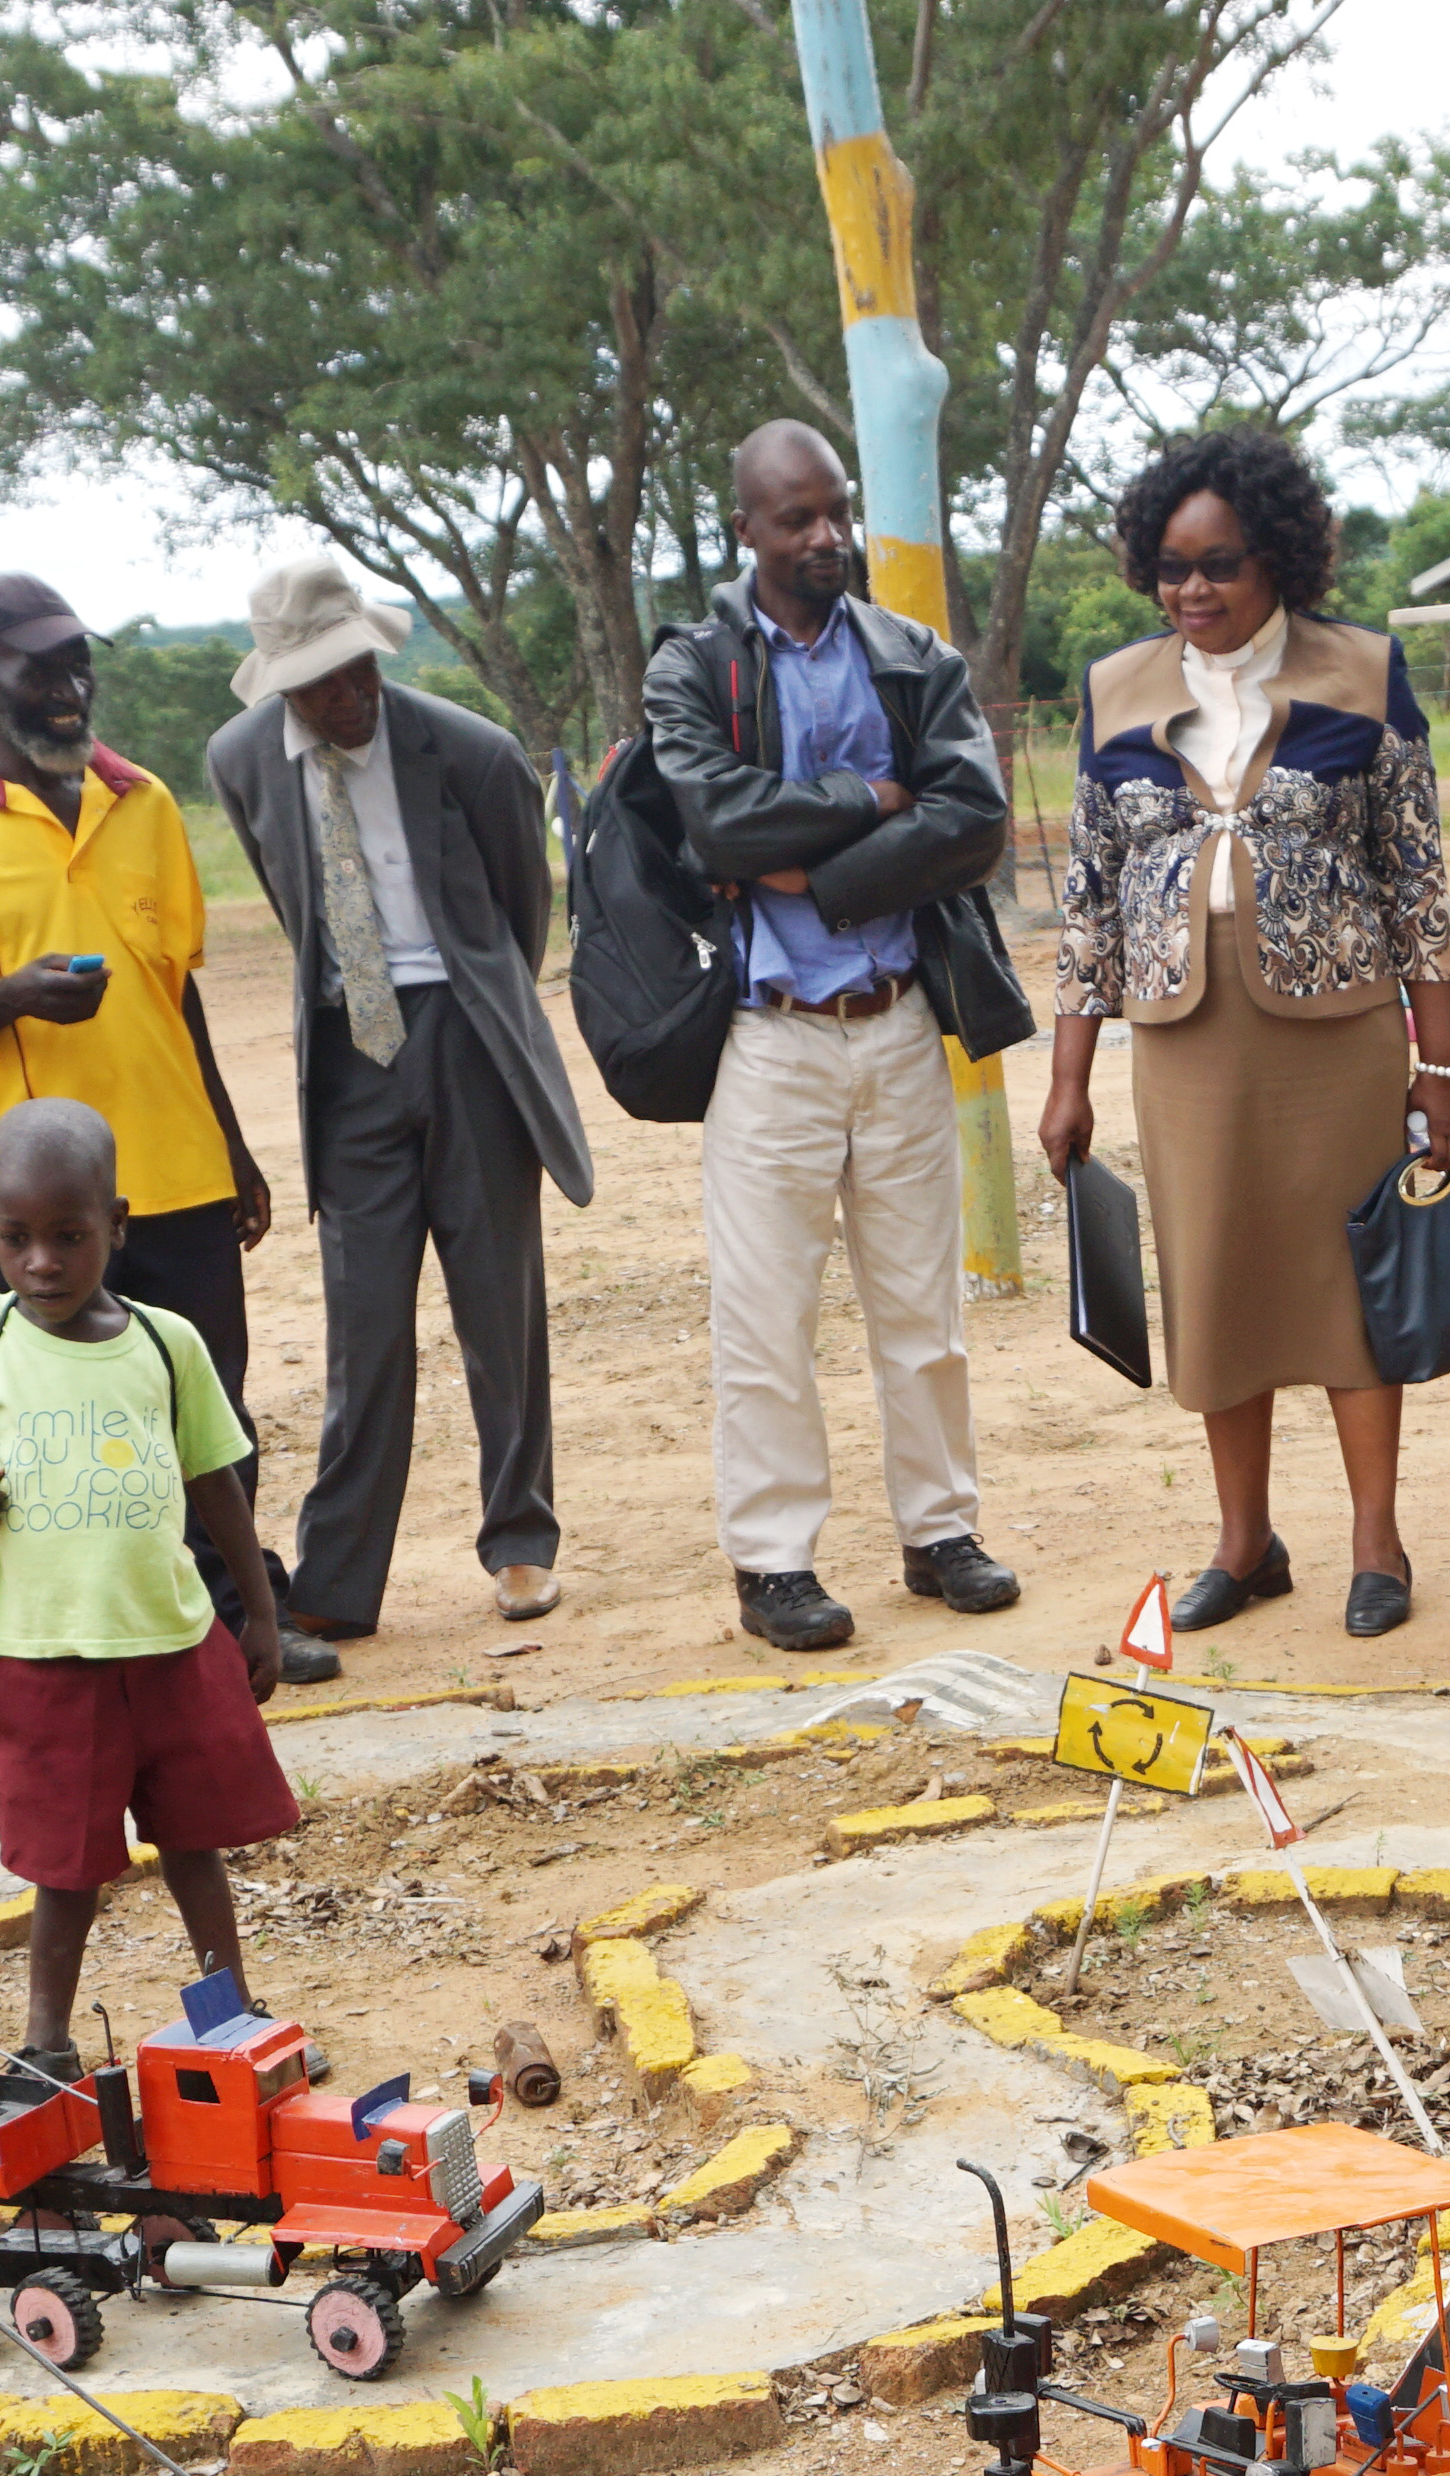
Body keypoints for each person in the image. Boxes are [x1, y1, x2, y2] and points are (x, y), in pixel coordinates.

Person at [1037, 425, 1450, 1639]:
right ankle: (1245, 1541)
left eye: (1219, 564)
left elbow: (1417, 888)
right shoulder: (1115, 690)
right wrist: (1068, 1077)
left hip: (1340, 1040)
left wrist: (1439, 1068)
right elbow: (1089, 900)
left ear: (1275, 555)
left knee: (1350, 1285)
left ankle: (1376, 1543)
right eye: (1171, 570)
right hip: (1182, 1044)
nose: (1194, 592)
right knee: (1215, 1286)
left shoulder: (1363, 672)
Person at [641, 428, 1033, 1649]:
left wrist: (825, 875)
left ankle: (940, 1532)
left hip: (903, 1019)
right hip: (773, 1040)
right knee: (765, 1320)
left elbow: (974, 820)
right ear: (746, 529)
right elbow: (714, 821)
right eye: (797, 519)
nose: (826, 539)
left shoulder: (913, 659)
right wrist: (873, 800)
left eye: (836, 514)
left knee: (924, 1308)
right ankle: (773, 1565)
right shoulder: (694, 667)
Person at [0, 577, 293, 1632]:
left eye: (78, 665)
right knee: (64, 1413)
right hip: (41, 1200)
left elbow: (176, 990)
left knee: (209, 1405)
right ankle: (98, 1618)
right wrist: (15, 997)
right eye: (40, 668)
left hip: (178, 1167)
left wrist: (234, 1148)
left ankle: (239, 1617)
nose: (69, 688)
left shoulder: (142, 799)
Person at [208, 552, 604, 1659]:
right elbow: (294, 904)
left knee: (498, 1307)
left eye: (357, 672)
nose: (348, 697)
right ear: (279, 684)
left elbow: (521, 919)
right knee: (364, 1325)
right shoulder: (239, 761)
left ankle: (520, 1538)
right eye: (321, 682)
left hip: (467, 1040)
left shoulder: (472, 751)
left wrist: (461, 1004)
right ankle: (336, 1576)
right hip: (347, 1062)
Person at [0, 1100, 295, 2055]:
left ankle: (232, 2017)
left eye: (69, 1237)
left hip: (169, 1634)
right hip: (46, 1654)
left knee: (193, 1840)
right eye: (16, 1238)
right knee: (64, 1866)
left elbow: (215, 1479)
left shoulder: (167, 1343)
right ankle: (47, 2040)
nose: (41, 1263)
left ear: (116, 1225)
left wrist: (261, 1613)